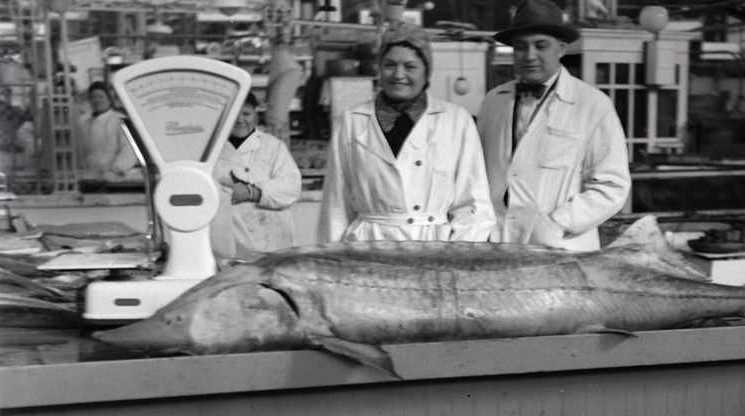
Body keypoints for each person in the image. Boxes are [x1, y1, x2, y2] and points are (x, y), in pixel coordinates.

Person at [317, 21, 495, 243]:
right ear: (379, 68)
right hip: (368, 248)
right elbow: (336, 205)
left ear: (427, 72)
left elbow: (473, 205)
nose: (398, 75)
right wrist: (332, 264)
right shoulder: (351, 121)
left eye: (410, 67)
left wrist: (458, 258)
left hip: (435, 248)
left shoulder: (456, 120)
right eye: (390, 65)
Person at [477, 0, 631, 250]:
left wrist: (558, 223)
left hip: (561, 247)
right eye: (520, 47)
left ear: (561, 49)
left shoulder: (592, 105)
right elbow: (480, 175)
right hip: (499, 244)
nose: (530, 56)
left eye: (541, 46)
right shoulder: (493, 102)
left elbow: (612, 186)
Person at [212, 91, 303, 256]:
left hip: (272, 241)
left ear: (256, 113)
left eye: (246, 113)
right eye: (234, 114)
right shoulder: (211, 149)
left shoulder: (273, 146)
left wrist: (252, 192)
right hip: (229, 242)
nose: (240, 120)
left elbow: (292, 186)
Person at [76, 81, 139, 184]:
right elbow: (81, 153)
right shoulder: (85, 125)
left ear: (109, 99)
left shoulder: (120, 121)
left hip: (114, 180)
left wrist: (116, 170)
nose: (97, 100)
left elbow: (130, 149)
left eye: (100, 97)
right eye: (93, 97)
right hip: (90, 179)